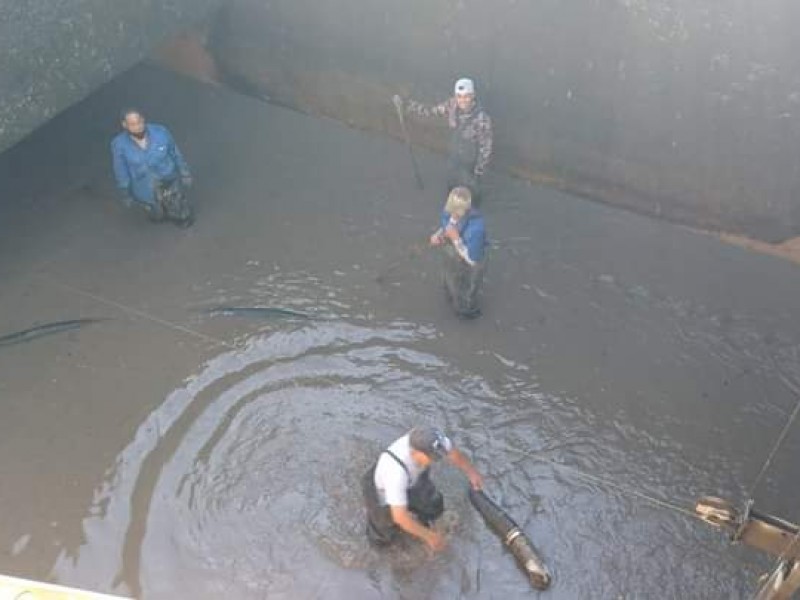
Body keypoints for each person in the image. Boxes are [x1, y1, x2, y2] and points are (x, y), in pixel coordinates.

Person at [362, 426, 484, 551]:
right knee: (385, 531)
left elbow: (453, 453)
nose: (437, 460)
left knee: (433, 504)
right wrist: (431, 537)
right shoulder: (396, 474)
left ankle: (423, 523)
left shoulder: (432, 439)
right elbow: (400, 517)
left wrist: (472, 473)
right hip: (383, 490)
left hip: (413, 478)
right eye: (433, 457)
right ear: (416, 453)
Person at [393, 77, 492, 203]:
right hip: (455, 154)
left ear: (473, 95)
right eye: (459, 96)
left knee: (471, 193)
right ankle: (450, 210)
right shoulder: (452, 105)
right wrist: (407, 104)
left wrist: (478, 171)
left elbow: (486, 148)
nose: (462, 100)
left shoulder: (482, 119)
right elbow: (430, 111)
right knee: (452, 186)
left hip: (470, 160)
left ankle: (472, 213)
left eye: (466, 96)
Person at [111, 108, 194, 226]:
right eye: (133, 124)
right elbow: (120, 170)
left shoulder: (160, 132)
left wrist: (185, 173)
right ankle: (159, 213)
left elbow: (175, 153)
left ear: (143, 119)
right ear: (124, 125)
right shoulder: (118, 145)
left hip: (167, 176)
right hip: (144, 185)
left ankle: (182, 218)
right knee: (155, 212)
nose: (138, 126)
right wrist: (126, 193)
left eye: (139, 122)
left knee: (177, 204)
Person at [430, 186, 486, 318]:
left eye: (455, 210)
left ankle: (467, 314)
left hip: (470, 261)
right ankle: (452, 299)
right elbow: (447, 225)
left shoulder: (476, 228)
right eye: (450, 207)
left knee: (466, 293)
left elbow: (472, 259)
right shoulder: (448, 211)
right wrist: (438, 234)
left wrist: (455, 239)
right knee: (449, 283)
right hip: (452, 255)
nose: (450, 213)